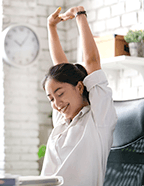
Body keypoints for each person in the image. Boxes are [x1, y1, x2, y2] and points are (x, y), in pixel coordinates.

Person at [40, 6, 118, 186]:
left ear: (80, 87)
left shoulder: (98, 117)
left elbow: (91, 61)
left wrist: (80, 15)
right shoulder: (62, 120)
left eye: (59, 94)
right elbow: (61, 70)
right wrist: (51, 27)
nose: (56, 103)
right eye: (51, 98)